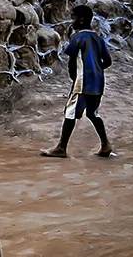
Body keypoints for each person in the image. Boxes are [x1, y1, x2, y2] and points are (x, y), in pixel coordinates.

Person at [41, 13, 115, 159]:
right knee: (92, 113)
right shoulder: (98, 39)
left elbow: (71, 60)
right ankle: (106, 144)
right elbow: (108, 61)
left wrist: (74, 77)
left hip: (83, 81)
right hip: (98, 82)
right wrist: (96, 70)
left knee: (70, 112)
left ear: (81, 19)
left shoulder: (78, 38)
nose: (72, 21)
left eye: (74, 18)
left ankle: (61, 147)